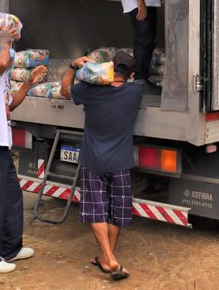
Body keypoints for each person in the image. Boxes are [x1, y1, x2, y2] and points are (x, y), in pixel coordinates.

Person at [59, 51, 143, 281]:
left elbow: (63, 90)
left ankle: (108, 258)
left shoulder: (90, 90)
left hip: (93, 160)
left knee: (97, 210)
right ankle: (107, 258)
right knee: (116, 212)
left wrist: (73, 66)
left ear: (109, 67)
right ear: (132, 74)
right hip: (120, 162)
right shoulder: (136, 92)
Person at [0, 22, 47, 274]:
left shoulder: (1, 78)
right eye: (6, 46)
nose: (10, 48)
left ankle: (10, 248)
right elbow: (2, 62)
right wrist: (4, 39)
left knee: (12, 197)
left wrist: (29, 82)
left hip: (0, 145)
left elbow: (10, 105)